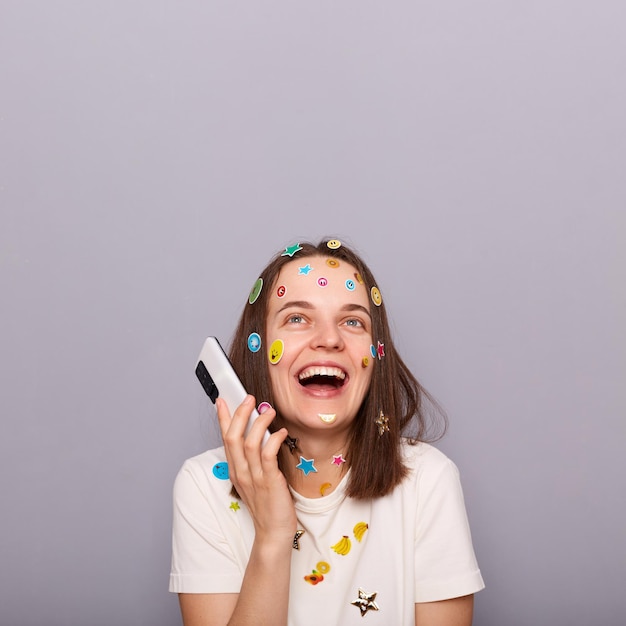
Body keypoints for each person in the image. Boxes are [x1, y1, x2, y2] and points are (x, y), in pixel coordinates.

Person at [169, 239, 485, 625]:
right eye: (297, 318)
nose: (330, 339)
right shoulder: (205, 486)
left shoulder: (427, 480)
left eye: (353, 321)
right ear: (259, 348)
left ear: (376, 354)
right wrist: (272, 536)